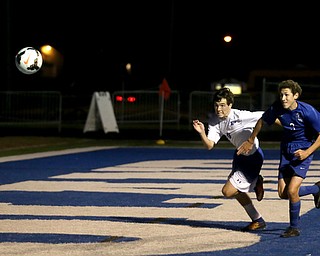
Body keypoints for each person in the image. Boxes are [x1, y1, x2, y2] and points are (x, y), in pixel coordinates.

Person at [237, 79, 320, 238]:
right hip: (286, 151)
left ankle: (293, 228)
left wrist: (307, 152)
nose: (283, 98)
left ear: (296, 95)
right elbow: (262, 120)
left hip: (303, 152)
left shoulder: (307, 111)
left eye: (287, 95)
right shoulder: (277, 107)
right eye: (281, 94)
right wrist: (250, 139)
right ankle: (316, 189)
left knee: (292, 190)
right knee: (283, 193)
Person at [193, 87, 266, 232]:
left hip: (252, 158)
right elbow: (209, 145)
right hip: (239, 156)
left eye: (222, 105)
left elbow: (268, 116)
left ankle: (257, 189)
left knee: (228, 191)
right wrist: (202, 133)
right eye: (216, 105)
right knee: (235, 191)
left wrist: (292, 130)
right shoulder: (214, 121)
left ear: (230, 105)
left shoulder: (241, 116)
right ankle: (257, 219)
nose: (218, 109)